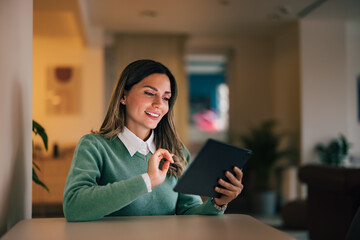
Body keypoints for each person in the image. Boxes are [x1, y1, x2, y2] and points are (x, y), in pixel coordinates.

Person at [63, 59, 244, 222]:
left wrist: (218, 203)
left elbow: (189, 211)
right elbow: (74, 207)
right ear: (123, 96)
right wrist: (147, 180)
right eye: (150, 93)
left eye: (166, 97)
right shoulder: (93, 146)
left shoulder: (177, 151)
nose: (159, 103)